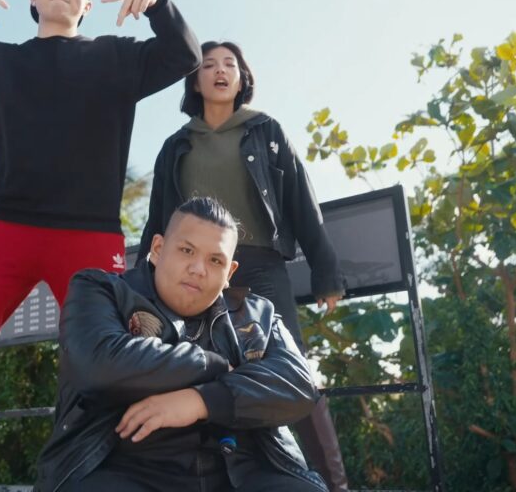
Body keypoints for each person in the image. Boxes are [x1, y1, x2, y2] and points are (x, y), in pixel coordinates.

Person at [0, 0, 201, 491]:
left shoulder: (118, 58)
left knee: (114, 355)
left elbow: (184, 54)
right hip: (3, 227)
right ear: (34, 0)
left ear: (86, 5)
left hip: (89, 233)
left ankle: (125, 469)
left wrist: (158, 2)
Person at [137, 41, 349, 490]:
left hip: (260, 266)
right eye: (208, 65)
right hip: (198, 270)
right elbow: (158, 220)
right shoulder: (175, 145)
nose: (220, 71)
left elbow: (303, 204)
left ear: (241, 78)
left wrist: (326, 275)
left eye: (229, 64)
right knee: (198, 366)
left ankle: (334, 485)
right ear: (195, 82)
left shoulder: (265, 130)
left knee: (290, 368)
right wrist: (141, 283)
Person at [34, 197, 327, 491]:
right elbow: (98, 362)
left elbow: (298, 384)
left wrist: (201, 401)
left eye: (215, 260)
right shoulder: (101, 290)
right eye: (187, 250)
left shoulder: (259, 314)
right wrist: (212, 365)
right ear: (158, 249)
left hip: (243, 471)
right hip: (122, 469)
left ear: (229, 273)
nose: (198, 269)